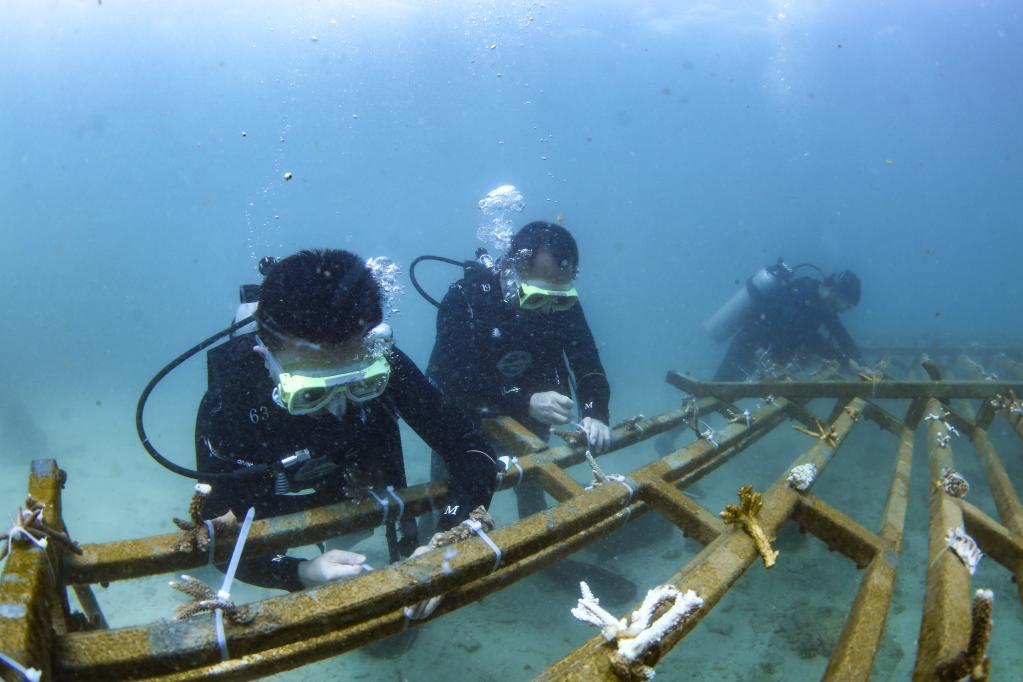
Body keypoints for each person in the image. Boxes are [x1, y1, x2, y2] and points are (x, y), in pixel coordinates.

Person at [194, 249, 498, 592]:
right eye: (311, 392)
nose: (336, 406)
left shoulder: (381, 357)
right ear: (265, 355)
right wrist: (301, 572)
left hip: (356, 481)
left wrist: (449, 535)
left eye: (360, 384)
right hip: (275, 496)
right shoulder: (234, 392)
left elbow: (472, 449)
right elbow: (218, 533)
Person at [426, 221, 611, 517]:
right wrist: (524, 398)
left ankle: (535, 533)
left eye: (559, 297)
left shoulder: (563, 305)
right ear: (513, 268)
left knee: (532, 482)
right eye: (537, 295)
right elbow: (454, 377)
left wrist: (595, 411)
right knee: (449, 496)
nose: (549, 308)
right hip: (464, 416)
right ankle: (438, 537)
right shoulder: (465, 298)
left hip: (531, 415)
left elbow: (587, 361)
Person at [712, 267, 863, 381]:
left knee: (728, 389)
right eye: (845, 304)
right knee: (719, 389)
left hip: (767, 353)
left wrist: (860, 363)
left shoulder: (822, 304)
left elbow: (840, 332)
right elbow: (810, 339)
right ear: (833, 291)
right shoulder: (801, 293)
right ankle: (694, 412)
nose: (843, 310)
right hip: (749, 345)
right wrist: (845, 361)